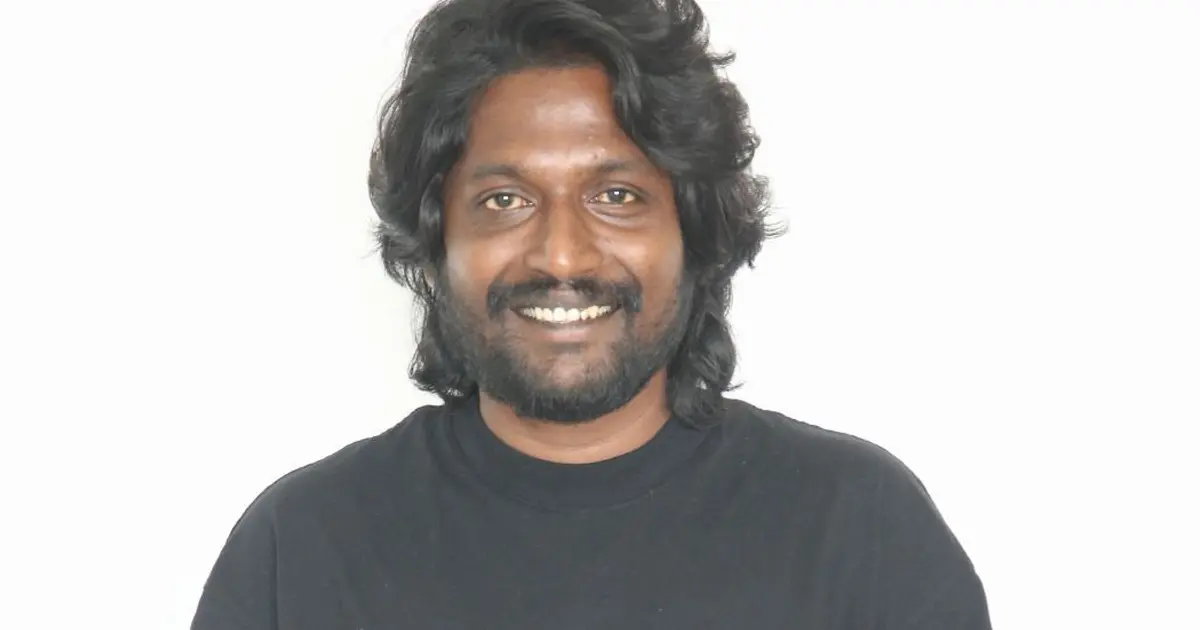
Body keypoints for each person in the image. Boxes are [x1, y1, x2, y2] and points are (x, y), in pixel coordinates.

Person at [192, 0, 991, 627]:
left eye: (616, 195)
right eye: (504, 200)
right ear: (436, 243)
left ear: (694, 234)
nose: (563, 256)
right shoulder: (301, 549)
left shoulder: (861, 532)